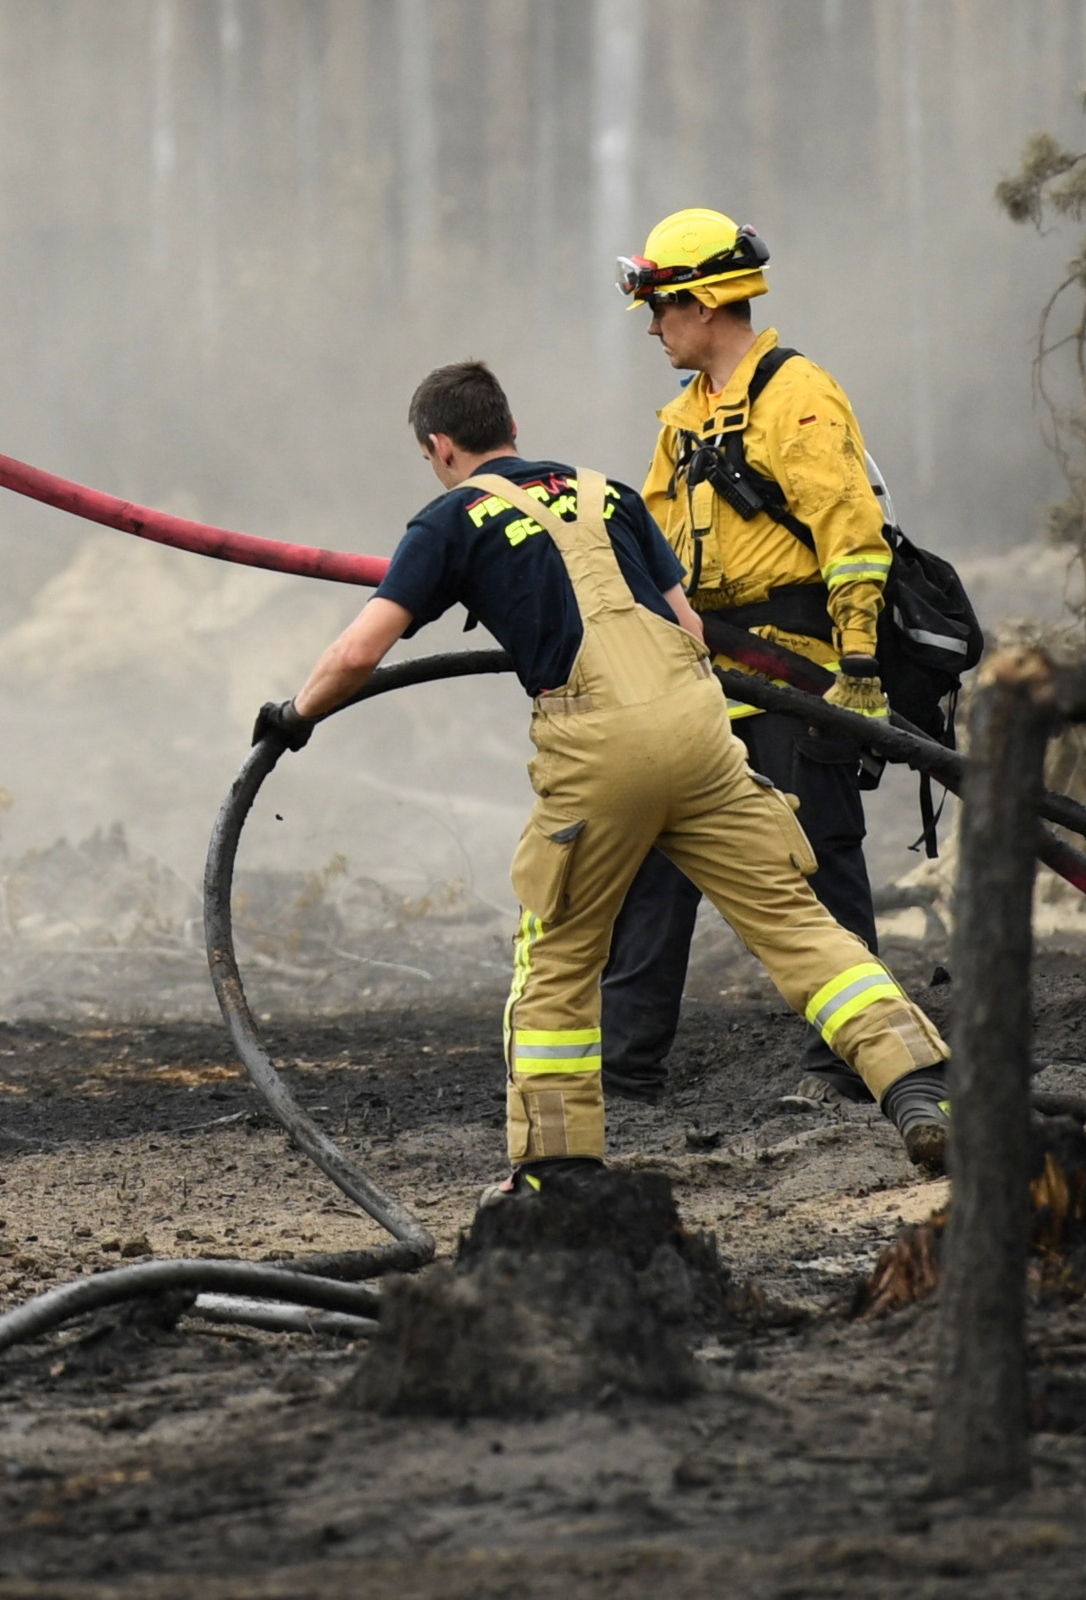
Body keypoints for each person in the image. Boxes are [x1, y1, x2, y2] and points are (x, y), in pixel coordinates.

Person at [260, 356, 950, 1180]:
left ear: (440, 446)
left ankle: (558, 1177)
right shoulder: (610, 493)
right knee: (798, 926)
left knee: (555, 959)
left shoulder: (449, 520)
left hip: (596, 746)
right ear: (511, 428)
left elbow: (358, 650)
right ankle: (918, 1087)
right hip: (700, 726)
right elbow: (690, 627)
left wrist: (294, 717)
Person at [597, 208, 894, 1102]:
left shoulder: (796, 395)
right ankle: (623, 1068)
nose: (653, 326)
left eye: (661, 306)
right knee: (656, 854)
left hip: (800, 673)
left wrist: (860, 665)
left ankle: (849, 1062)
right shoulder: (683, 420)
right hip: (705, 680)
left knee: (818, 864)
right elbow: (647, 553)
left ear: (705, 299)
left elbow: (853, 534)